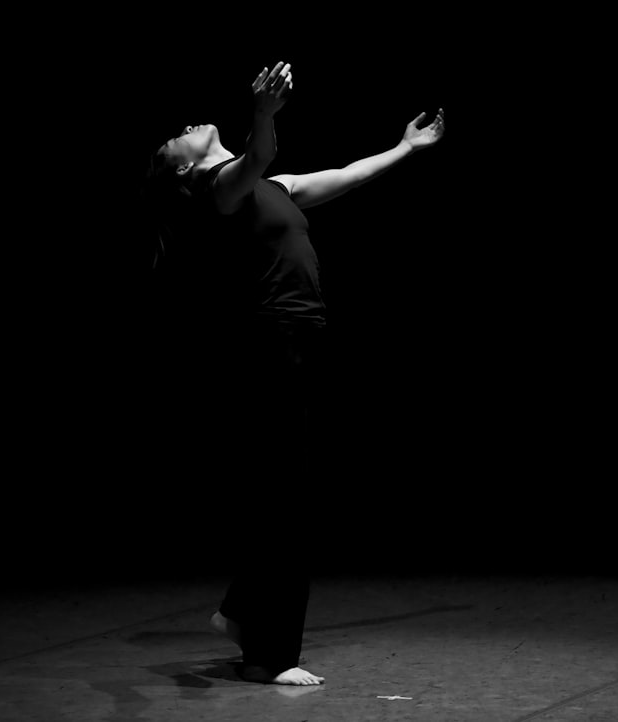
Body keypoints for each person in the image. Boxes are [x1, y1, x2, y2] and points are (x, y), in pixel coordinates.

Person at [141, 61, 445, 686]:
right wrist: (262, 116)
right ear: (181, 168)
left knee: (285, 493)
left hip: (297, 342)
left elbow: (341, 177)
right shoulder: (216, 191)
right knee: (286, 498)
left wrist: (404, 148)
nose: (188, 125)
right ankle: (266, 655)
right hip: (271, 344)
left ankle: (241, 614)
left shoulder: (268, 185)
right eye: (176, 136)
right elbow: (253, 160)